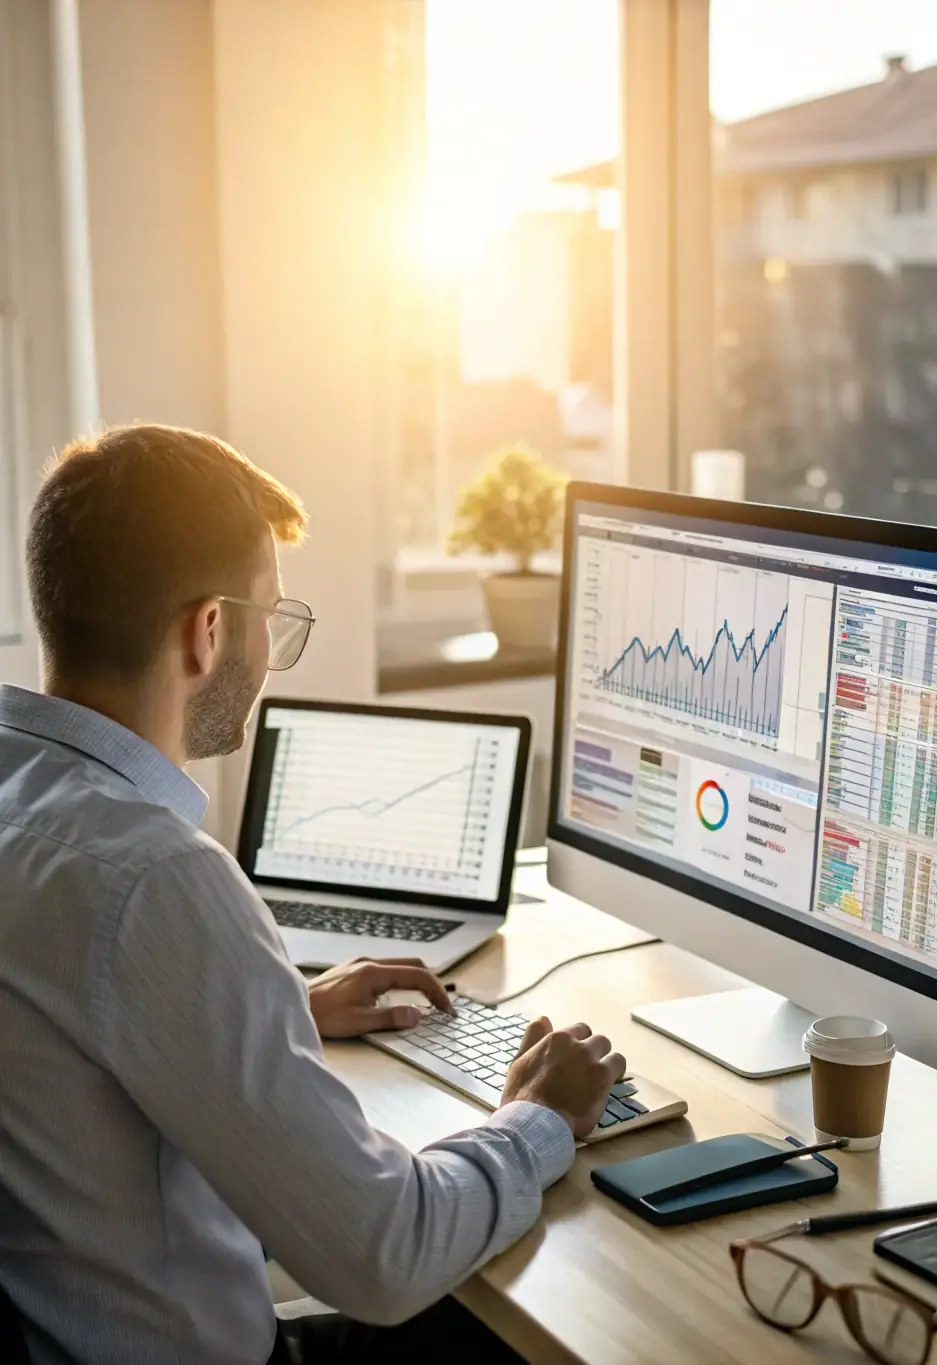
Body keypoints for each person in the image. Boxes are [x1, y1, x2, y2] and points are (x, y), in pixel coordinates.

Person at [0, 424, 626, 1365]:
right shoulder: (156, 876)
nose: (270, 654)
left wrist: (281, 1004)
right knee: (566, 1322)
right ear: (207, 631)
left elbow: (60, 1021)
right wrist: (537, 1116)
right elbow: (386, 1251)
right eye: (273, 621)